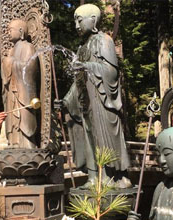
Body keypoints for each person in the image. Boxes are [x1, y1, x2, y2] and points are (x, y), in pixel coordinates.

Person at [59, 4, 130, 188]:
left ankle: (111, 177)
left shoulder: (104, 40)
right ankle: (93, 178)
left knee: (102, 136)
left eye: (80, 20)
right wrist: (66, 100)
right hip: (87, 102)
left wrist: (88, 67)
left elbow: (112, 72)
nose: (76, 25)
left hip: (101, 101)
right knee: (89, 136)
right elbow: (78, 81)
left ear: (94, 20)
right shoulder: (82, 48)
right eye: (75, 21)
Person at [1, 19, 39, 149]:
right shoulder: (11, 50)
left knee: (23, 116)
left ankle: (27, 143)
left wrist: (10, 62)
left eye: (10, 29)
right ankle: (14, 142)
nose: (8, 33)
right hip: (12, 90)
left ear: (21, 31)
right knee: (12, 116)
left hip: (23, 92)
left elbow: (30, 68)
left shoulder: (28, 47)